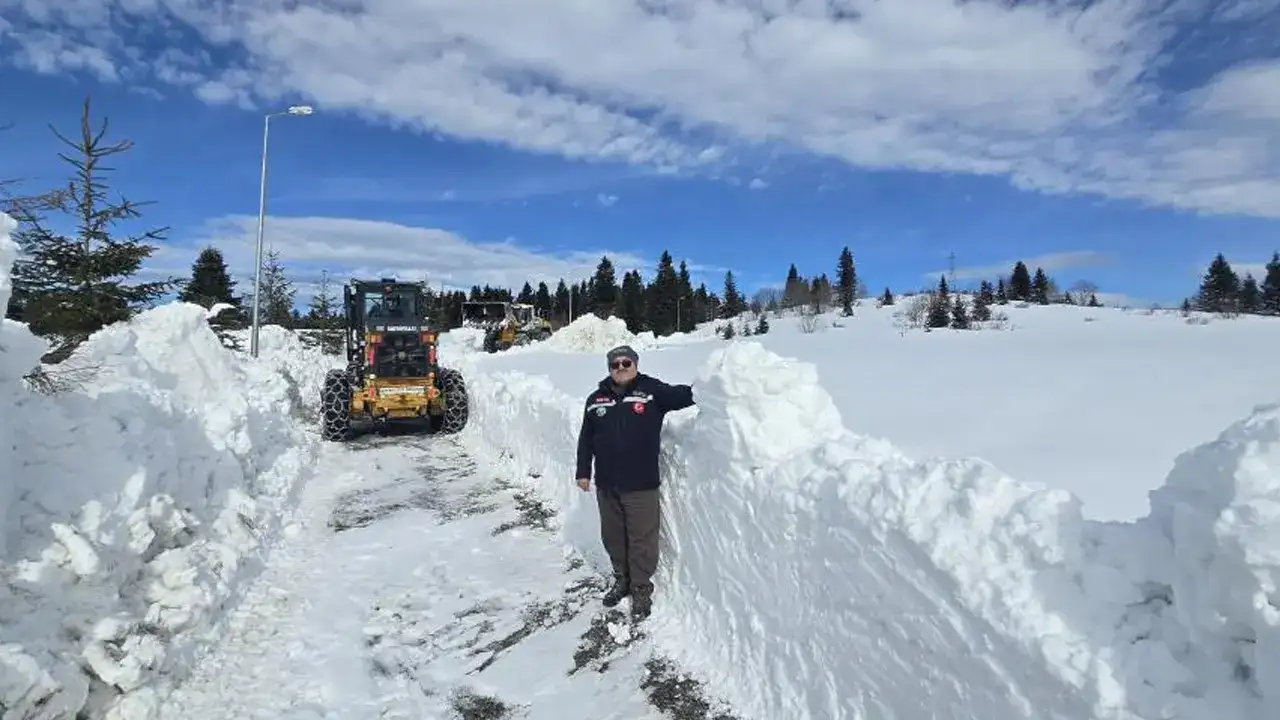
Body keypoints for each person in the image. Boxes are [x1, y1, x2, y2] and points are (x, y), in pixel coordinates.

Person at [575, 344, 695, 622]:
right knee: (613, 537)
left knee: (642, 540)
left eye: (626, 362)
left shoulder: (652, 391)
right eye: (615, 364)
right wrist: (583, 472)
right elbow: (586, 439)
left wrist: (715, 385)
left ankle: (641, 588)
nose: (621, 368)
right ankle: (622, 580)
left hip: (641, 484)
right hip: (607, 484)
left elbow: (687, 395)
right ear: (609, 368)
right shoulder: (596, 399)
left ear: (636, 364)